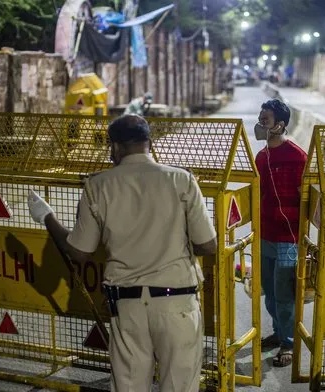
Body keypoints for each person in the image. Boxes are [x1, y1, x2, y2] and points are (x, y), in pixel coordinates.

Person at [27, 114, 217, 392]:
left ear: (114, 147)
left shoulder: (98, 185)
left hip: (127, 307)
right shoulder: (181, 180)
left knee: (129, 386)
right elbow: (208, 245)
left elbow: (79, 252)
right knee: (179, 385)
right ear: (148, 143)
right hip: (177, 304)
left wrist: (47, 217)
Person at [254, 99, 307, 367]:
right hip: (265, 235)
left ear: (280, 125)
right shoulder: (261, 157)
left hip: (289, 237)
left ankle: (288, 343)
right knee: (270, 292)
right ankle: (278, 332)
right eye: (261, 118)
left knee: (285, 293)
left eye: (266, 120)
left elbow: (306, 198)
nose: (261, 123)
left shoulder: (297, 156)